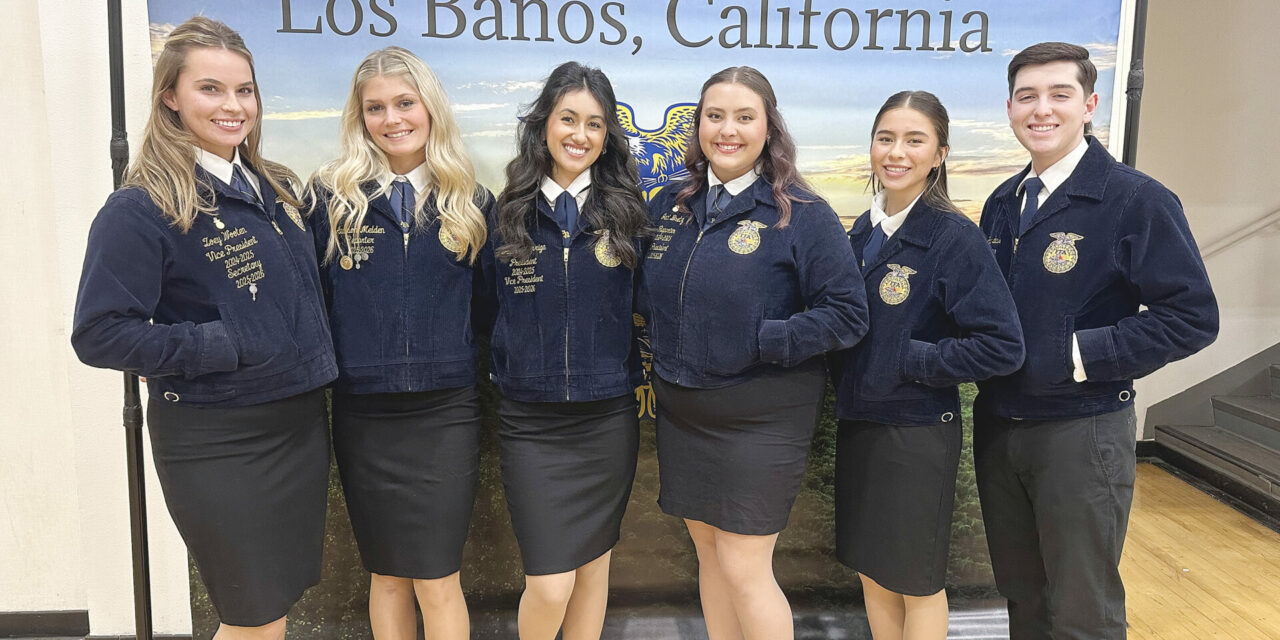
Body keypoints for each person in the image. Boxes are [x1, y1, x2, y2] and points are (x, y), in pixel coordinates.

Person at [70, 16, 335, 639]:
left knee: (271, 611)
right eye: (210, 89)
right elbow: (100, 332)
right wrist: (221, 344)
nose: (232, 106)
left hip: (296, 427)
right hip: (217, 441)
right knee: (254, 619)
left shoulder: (274, 187)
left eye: (244, 90)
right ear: (171, 96)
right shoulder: (142, 206)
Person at [975, 42, 1218, 639]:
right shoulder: (1003, 203)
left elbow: (1191, 316)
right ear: (1009, 107)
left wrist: (1076, 354)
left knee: (1083, 609)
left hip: (1080, 434)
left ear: (1090, 104)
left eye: (1059, 95)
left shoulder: (1137, 200)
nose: (1042, 110)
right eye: (1027, 96)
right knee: (1022, 596)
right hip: (1001, 426)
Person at [637, 66, 869, 640]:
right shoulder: (671, 203)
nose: (728, 131)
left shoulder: (802, 213)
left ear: (770, 126)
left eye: (745, 117)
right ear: (697, 126)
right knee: (710, 557)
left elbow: (848, 314)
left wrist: (766, 339)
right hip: (685, 413)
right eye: (714, 117)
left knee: (744, 566)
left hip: (761, 417)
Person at [307, 47, 489, 640]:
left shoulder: (470, 203)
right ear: (359, 118)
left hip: (446, 415)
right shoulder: (330, 201)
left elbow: (484, 313)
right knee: (385, 577)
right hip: (366, 415)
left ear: (430, 108)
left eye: (405, 103)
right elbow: (315, 305)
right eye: (375, 108)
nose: (392, 120)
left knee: (439, 579)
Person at [831, 90, 1024, 640]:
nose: (897, 152)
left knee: (915, 581)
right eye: (885, 138)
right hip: (862, 424)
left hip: (915, 434)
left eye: (915, 140)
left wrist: (912, 358)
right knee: (873, 571)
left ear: (939, 154)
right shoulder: (865, 230)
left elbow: (1001, 345)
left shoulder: (951, 235)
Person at [478, 61, 649, 640]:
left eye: (595, 124)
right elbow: (484, 311)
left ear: (608, 137)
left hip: (607, 419)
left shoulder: (629, 215)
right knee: (550, 585)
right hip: (533, 424)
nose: (580, 135)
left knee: (594, 569)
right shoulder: (504, 215)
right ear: (544, 125)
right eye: (568, 119)